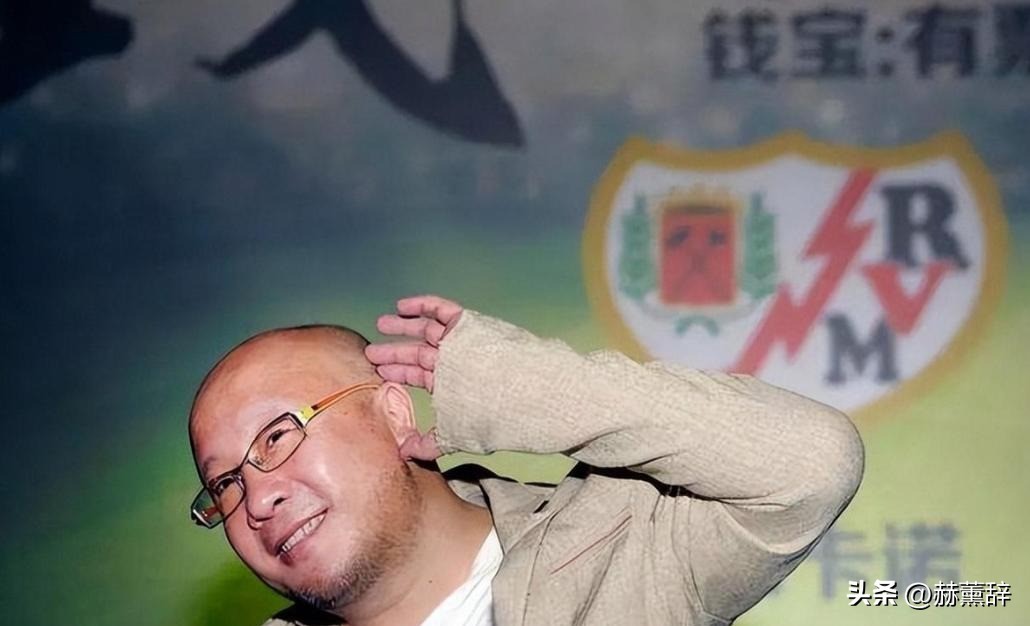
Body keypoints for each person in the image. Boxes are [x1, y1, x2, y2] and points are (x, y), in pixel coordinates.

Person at [188, 294, 864, 626]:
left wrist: (522, 390)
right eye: (224, 484)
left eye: (276, 437)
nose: (257, 499)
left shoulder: (618, 550)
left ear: (395, 413)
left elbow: (811, 463)